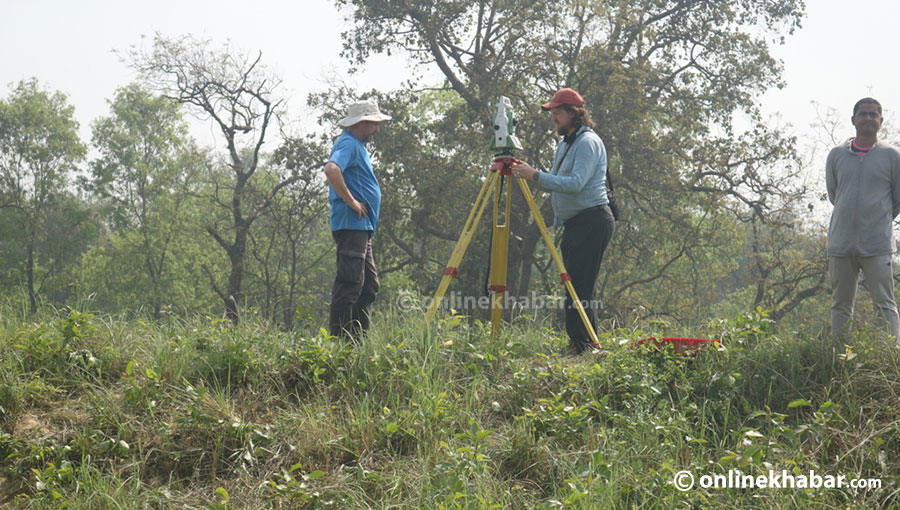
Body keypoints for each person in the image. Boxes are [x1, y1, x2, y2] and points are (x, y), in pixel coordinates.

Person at [511, 88, 615, 355]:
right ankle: (583, 344)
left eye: (558, 113)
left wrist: (535, 176)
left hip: (592, 221)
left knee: (579, 286)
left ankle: (582, 346)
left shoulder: (587, 143)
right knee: (575, 285)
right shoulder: (566, 143)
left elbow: (575, 184)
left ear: (573, 114)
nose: (554, 118)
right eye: (553, 113)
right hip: (575, 223)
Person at [826, 97, 900, 344]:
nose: (868, 118)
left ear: (880, 120)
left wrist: (876, 221)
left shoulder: (893, 156)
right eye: (863, 114)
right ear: (853, 120)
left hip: (877, 247)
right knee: (840, 305)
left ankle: (891, 359)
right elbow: (834, 194)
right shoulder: (836, 155)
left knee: (885, 304)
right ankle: (839, 359)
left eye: (873, 114)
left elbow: (897, 201)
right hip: (841, 244)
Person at [324, 99, 391, 342]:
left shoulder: (356, 146)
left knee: (368, 286)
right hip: (352, 224)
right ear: (361, 123)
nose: (376, 129)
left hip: (362, 227)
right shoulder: (348, 144)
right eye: (373, 124)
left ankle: (357, 342)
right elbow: (332, 169)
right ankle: (339, 344)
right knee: (350, 282)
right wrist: (351, 201)